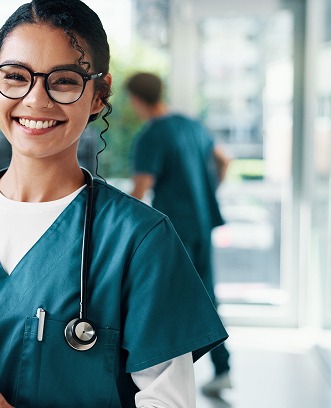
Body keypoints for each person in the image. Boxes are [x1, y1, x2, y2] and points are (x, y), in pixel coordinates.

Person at [0, 2, 227, 406]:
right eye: (15, 76)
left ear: (99, 95)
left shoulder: (140, 240)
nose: (35, 100)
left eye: (63, 81)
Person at [125, 72, 233, 397]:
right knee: (206, 296)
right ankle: (223, 367)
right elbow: (224, 161)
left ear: (135, 99)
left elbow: (140, 189)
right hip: (200, 222)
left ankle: (164, 384)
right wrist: (207, 191)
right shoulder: (191, 125)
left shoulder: (151, 136)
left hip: (174, 231)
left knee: (164, 302)